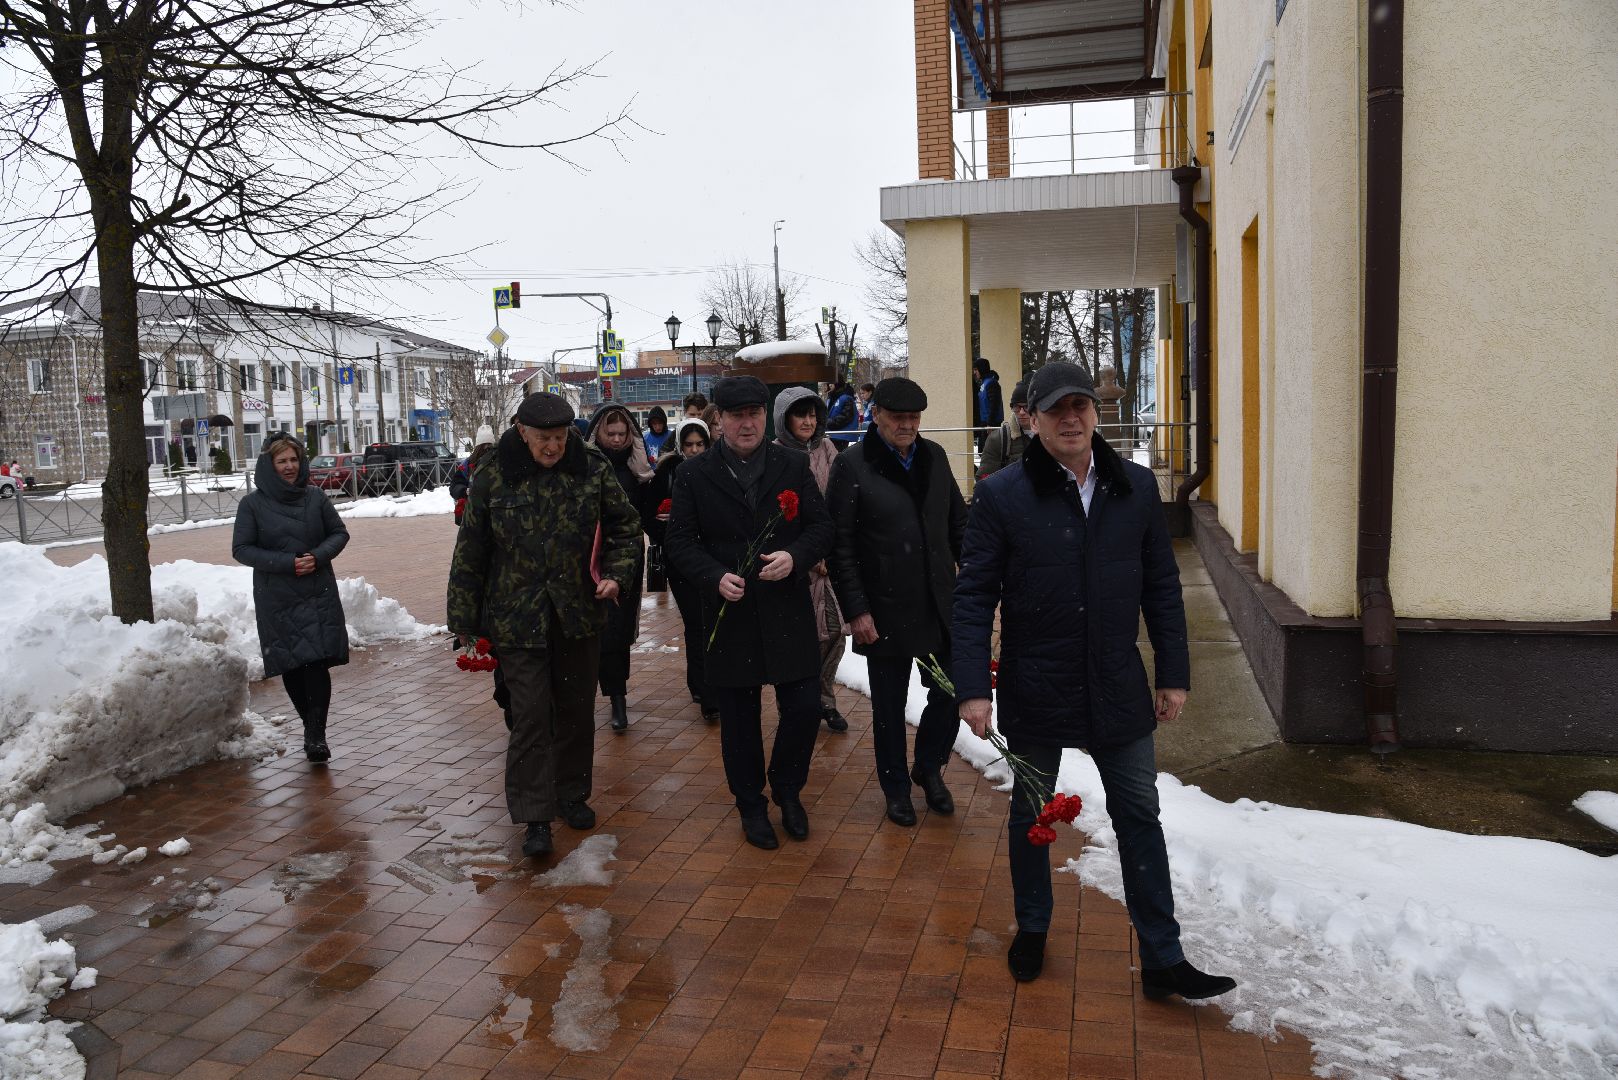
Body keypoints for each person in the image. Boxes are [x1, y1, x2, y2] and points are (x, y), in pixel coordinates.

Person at [952, 362, 1236, 998]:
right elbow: (972, 596)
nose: (1071, 418)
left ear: (1096, 412)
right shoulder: (1002, 495)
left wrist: (1175, 674)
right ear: (1032, 418)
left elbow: (1163, 588)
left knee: (1140, 814)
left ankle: (1163, 958)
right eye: (1056, 409)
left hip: (1116, 683)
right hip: (1035, 683)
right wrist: (973, 687)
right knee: (1031, 812)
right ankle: (1032, 926)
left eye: (1080, 405)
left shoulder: (1132, 487)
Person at [447, 392, 641, 857]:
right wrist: (464, 621)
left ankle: (571, 794)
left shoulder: (591, 466)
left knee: (575, 710)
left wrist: (615, 575)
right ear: (521, 431)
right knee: (530, 716)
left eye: (559, 437)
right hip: (517, 616)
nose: (553, 448)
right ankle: (535, 817)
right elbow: (471, 549)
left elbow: (625, 527)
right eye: (543, 439)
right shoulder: (493, 472)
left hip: (578, 612)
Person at [664, 375, 834, 850]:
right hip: (729, 612)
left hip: (786, 610)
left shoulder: (791, 463)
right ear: (719, 419)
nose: (746, 424)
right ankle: (751, 805)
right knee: (739, 721)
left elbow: (821, 527)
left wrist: (795, 557)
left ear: (765, 415)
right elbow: (678, 540)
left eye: (754, 414)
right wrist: (713, 575)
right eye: (736, 415)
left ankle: (787, 789)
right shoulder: (695, 474)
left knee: (803, 708)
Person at [827, 378, 966, 826]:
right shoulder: (853, 465)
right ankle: (895, 788)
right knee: (888, 706)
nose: (908, 425)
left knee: (950, 692)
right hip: (883, 608)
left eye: (915, 418)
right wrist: (857, 610)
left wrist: (977, 584)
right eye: (899, 417)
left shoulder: (935, 457)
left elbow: (959, 526)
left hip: (938, 602)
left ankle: (928, 767)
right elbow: (840, 545)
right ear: (877, 415)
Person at [232, 433, 349, 763]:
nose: (289, 466)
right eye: (281, 461)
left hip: (317, 590)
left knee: (315, 662)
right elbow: (241, 549)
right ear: (269, 465)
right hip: (277, 596)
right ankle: (309, 726)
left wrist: (317, 555)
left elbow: (339, 533)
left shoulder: (315, 498)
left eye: (293, 460)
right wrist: (286, 563)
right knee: (292, 665)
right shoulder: (252, 505)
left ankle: (316, 733)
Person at [772, 387, 849, 733]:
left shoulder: (827, 448)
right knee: (797, 639)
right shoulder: (773, 455)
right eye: (800, 414)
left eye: (812, 414)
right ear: (784, 419)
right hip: (794, 564)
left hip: (829, 560)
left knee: (834, 635)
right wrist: (807, 555)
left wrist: (832, 551)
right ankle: (797, 704)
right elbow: (777, 515)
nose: (807, 421)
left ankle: (825, 700)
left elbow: (838, 501)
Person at [644, 417, 718, 722]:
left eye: (700, 444)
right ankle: (702, 687)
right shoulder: (667, 471)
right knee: (696, 623)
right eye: (689, 444)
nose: (695, 450)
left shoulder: (717, 469)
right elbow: (648, 514)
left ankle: (710, 686)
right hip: (680, 560)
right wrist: (667, 525)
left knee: (712, 622)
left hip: (714, 559)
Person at [585, 403, 652, 732]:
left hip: (626, 557)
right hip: (588, 556)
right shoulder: (583, 467)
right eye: (609, 433)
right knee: (591, 629)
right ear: (597, 433)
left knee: (617, 629)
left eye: (621, 433)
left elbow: (649, 512)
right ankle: (585, 694)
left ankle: (617, 698)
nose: (615, 439)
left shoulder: (637, 470)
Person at [977, 379, 1032, 479]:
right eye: (1016, 407)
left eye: (1026, 406)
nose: (1022, 412)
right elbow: (983, 481)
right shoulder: (999, 439)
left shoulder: (1051, 436)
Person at [450, 424, 498, 525]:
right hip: (473, 514)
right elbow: (455, 485)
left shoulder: (500, 461)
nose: (486, 449)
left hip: (496, 512)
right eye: (483, 446)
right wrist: (464, 491)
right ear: (478, 447)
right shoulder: (467, 464)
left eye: (489, 446)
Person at [972, 358, 1005, 449]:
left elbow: (994, 404)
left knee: (989, 451)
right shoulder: (985, 383)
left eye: (976, 369)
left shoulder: (991, 383)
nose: (974, 372)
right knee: (983, 450)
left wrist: (990, 423)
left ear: (981, 369)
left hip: (990, 425)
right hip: (985, 423)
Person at [825, 378, 860, 449]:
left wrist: (828, 422)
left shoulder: (846, 398)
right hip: (834, 435)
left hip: (842, 436)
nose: (830, 385)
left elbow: (846, 417)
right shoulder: (833, 397)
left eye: (832, 383)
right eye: (829, 384)